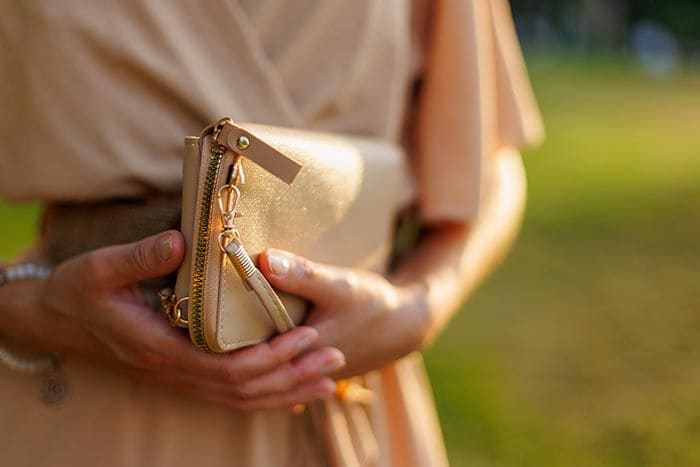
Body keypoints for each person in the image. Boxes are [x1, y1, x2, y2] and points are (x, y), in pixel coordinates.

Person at [0, 0, 543, 465]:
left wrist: (420, 306)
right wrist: (26, 310)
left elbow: (489, 158)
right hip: (78, 406)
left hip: (341, 390)